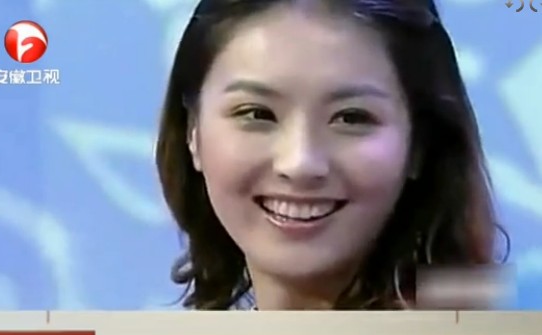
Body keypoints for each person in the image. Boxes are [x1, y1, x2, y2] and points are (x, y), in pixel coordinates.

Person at [156, 0, 506, 310]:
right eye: (257, 113)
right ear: (192, 131)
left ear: (419, 144)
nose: (300, 163)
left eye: (351, 118)